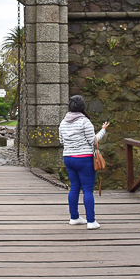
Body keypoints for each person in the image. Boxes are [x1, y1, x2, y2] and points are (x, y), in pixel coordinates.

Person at [59, 95, 109, 230]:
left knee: (74, 187)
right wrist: (103, 130)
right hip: (84, 159)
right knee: (87, 189)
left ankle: (74, 217)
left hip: (69, 158)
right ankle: (91, 221)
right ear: (82, 107)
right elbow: (93, 142)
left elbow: (61, 141)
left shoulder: (63, 122)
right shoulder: (84, 122)